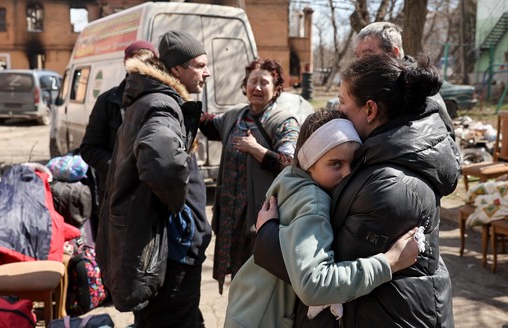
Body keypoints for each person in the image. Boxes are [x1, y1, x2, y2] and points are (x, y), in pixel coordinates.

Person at [254, 54, 460, 327]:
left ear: (370, 110)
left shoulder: (390, 185)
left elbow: (318, 276)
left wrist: (267, 234)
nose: (338, 112)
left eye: (342, 102)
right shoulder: (377, 157)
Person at [224, 109, 420, 328]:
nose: (347, 173)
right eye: (335, 164)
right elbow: (314, 284)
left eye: (352, 163)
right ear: (309, 162)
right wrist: (390, 262)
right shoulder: (313, 201)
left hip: (248, 307)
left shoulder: (290, 176)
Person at [95, 30, 212, 328]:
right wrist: (179, 208)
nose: (206, 72)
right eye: (199, 65)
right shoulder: (163, 105)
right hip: (172, 250)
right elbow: (161, 164)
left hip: (162, 246)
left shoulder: (148, 99)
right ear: (176, 70)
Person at [199, 58, 300, 294]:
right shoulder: (234, 116)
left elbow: (291, 165)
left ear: (276, 89)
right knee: (238, 282)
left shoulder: (284, 121)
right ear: (244, 85)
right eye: (252, 81)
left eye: (264, 83)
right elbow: (206, 123)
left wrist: (258, 151)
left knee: (260, 285)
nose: (257, 87)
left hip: (260, 219)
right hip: (231, 220)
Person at [79, 40, 158, 239]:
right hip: (116, 195)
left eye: (147, 63)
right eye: (136, 64)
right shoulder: (109, 101)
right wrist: (121, 168)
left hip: (153, 197)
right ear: (126, 65)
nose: (141, 69)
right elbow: (89, 148)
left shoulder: (162, 101)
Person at [352, 21, 455, 140]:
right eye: (357, 56)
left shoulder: (419, 84)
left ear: (394, 53)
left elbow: (447, 135)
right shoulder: (378, 83)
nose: (360, 63)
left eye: (367, 55)